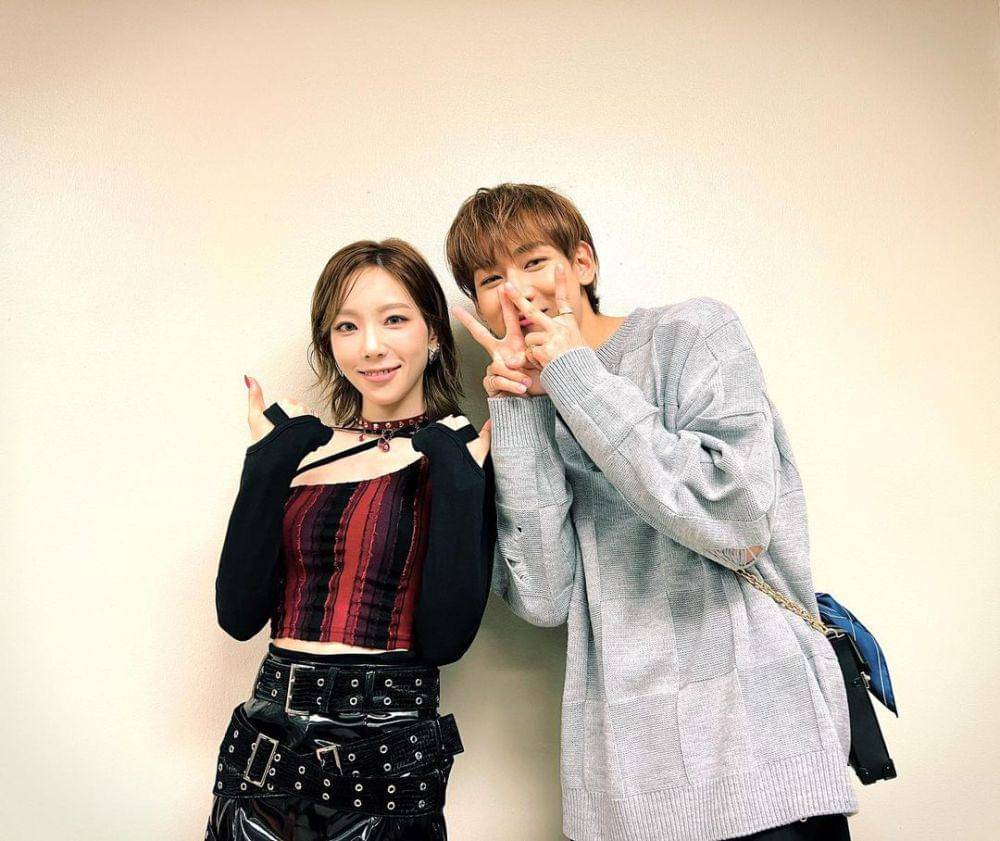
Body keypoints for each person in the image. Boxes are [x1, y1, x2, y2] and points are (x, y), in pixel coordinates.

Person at [446, 184, 858, 841]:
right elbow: (544, 597)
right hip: (630, 777)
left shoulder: (693, 332)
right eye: (490, 278)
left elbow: (736, 518)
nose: (516, 291)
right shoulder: (528, 398)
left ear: (583, 262)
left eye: (533, 261)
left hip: (764, 752)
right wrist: (520, 410)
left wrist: (576, 377)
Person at [206, 238, 495, 841]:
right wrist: (268, 460)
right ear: (329, 343)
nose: (370, 347)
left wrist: (458, 475)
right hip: (263, 753)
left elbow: (446, 639)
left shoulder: (458, 452)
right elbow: (238, 615)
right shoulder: (301, 450)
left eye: (394, 319)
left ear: (433, 331)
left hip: (387, 758)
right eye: (346, 326)